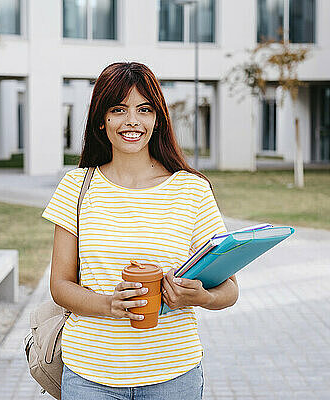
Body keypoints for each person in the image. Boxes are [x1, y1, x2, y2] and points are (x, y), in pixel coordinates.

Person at [42, 62, 239, 399]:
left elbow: (229, 290)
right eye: (118, 109)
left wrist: (201, 297)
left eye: (144, 109)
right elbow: (60, 285)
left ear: (157, 118)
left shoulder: (191, 190)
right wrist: (109, 304)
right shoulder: (76, 187)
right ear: (102, 121)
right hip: (90, 374)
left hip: (175, 375)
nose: (132, 121)